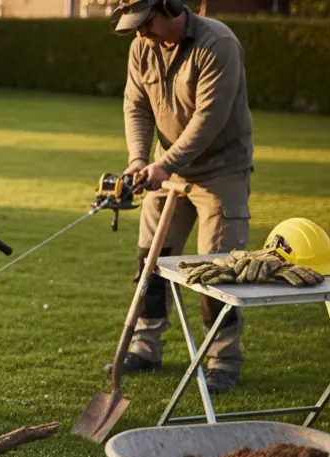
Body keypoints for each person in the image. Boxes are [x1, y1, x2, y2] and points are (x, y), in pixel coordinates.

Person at [109, 0, 254, 393]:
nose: (141, 33)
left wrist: (165, 164)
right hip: (164, 170)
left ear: (170, 7)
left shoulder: (217, 44)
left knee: (217, 270)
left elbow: (210, 119)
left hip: (221, 172)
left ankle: (223, 361)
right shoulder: (142, 47)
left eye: (146, 23)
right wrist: (140, 159)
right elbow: (136, 105)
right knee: (150, 260)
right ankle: (145, 348)